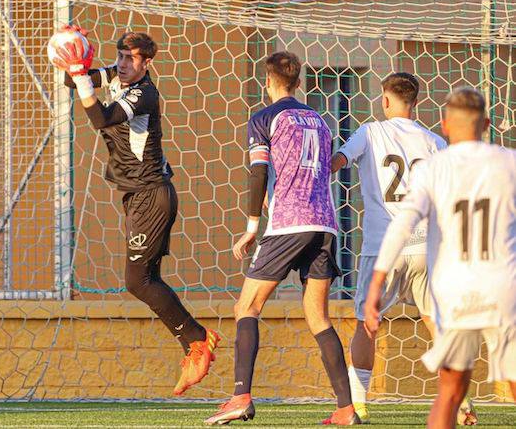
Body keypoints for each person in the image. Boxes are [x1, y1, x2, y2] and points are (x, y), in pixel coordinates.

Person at [54, 26, 220, 395]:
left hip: (151, 195)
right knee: (147, 279)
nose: (123, 64)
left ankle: (197, 341)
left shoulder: (145, 93)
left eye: (131, 59)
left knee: (137, 281)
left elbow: (102, 118)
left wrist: (82, 77)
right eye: (120, 56)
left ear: (146, 64)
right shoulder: (116, 73)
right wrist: (78, 57)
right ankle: (195, 342)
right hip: (137, 195)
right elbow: (72, 81)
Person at [205, 52, 358, 425]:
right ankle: (345, 407)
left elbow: (258, 174)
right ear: (299, 82)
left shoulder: (265, 117)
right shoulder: (320, 120)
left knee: (247, 308)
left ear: (269, 81)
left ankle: (240, 396)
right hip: (325, 224)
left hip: (288, 223)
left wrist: (252, 226)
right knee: (317, 315)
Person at [364, 87, 516, 429]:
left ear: (445, 125)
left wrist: (377, 282)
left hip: (455, 290)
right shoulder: (509, 163)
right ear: (487, 124)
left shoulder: (433, 169)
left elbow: (403, 224)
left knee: (449, 390)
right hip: (502, 286)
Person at [331, 73, 472, 423]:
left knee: (367, 321)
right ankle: (462, 400)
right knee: (434, 322)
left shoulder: (371, 132)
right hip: (427, 245)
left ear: (385, 100)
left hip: (384, 247)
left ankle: (358, 404)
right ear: (416, 103)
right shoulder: (434, 141)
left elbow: (339, 163)